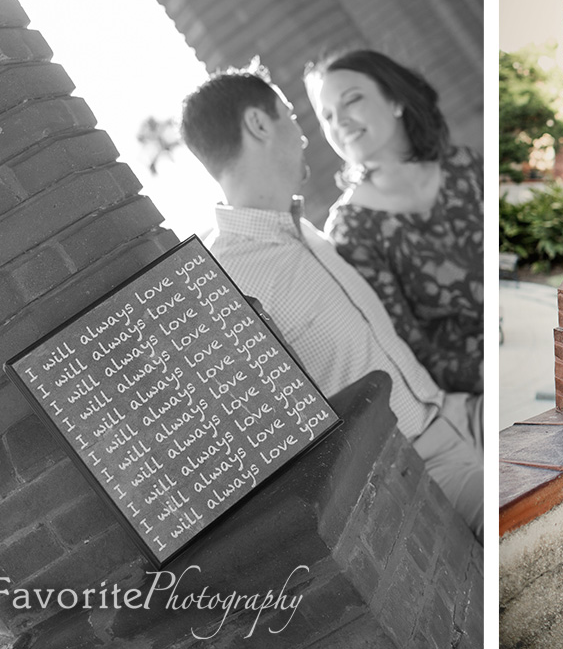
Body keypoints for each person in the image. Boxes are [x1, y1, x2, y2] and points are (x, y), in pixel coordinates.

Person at [179, 63, 483, 540]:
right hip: (412, 471)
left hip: (451, 417)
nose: (304, 137)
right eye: (292, 118)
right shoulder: (226, 281)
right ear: (260, 125)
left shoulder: (307, 232)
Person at [303, 51, 483, 394]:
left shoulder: (463, 165)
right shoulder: (351, 230)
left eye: (351, 100)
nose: (338, 120)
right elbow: (408, 347)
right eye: (327, 116)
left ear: (395, 100)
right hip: (467, 397)